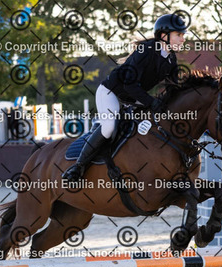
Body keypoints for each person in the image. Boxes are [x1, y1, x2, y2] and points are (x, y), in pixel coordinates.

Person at [61, 13, 187, 181]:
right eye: (179, 35)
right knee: (109, 128)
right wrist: (151, 102)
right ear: (164, 36)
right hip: (111, 93)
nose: (183, 39)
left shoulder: (171, 59)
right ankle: (78, 167)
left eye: (183, 35)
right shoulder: (146, 51)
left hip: (133, 98)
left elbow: (174, 88)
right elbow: (129, 85)